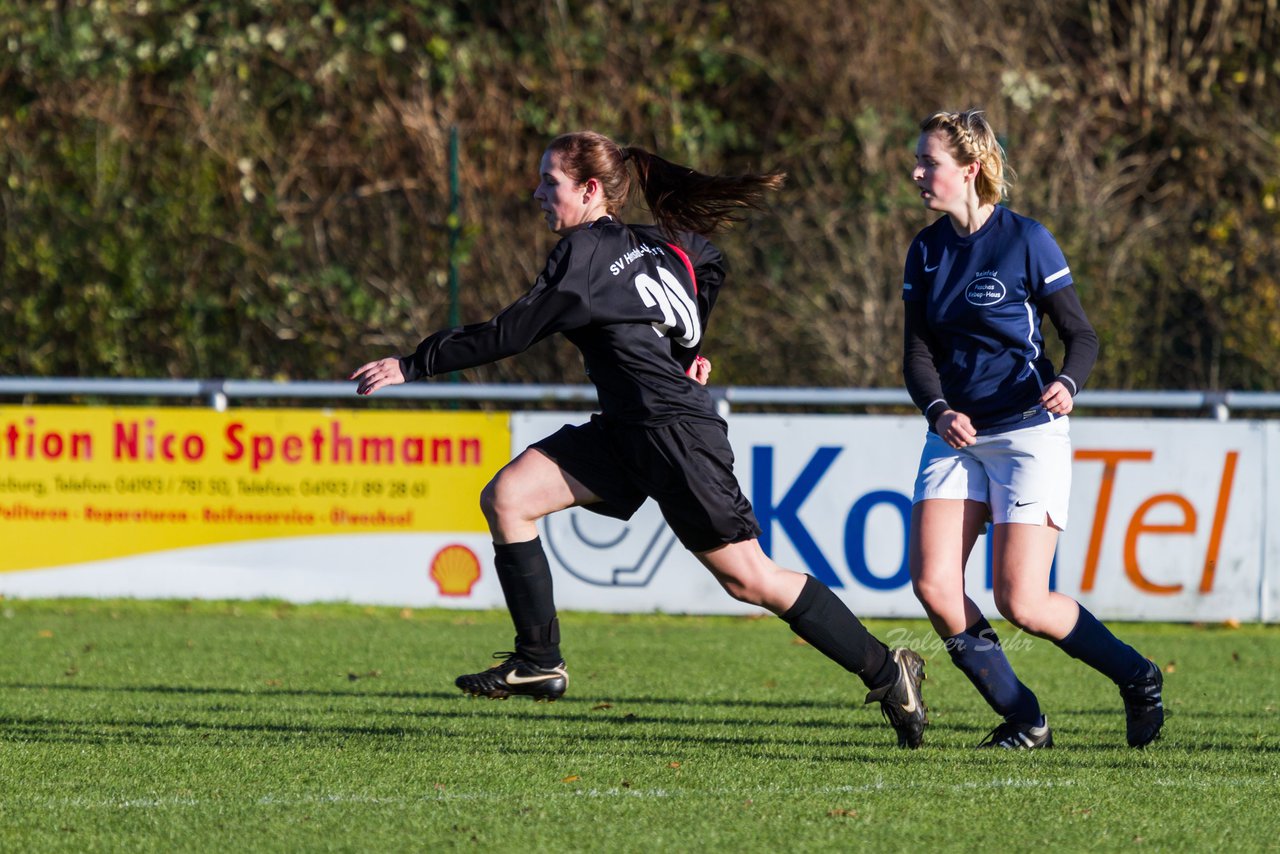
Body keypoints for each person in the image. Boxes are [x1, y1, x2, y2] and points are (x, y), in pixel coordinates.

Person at [351, 130, 929, 748]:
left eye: (550, 182)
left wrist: (415, 363)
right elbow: (708, 260)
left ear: (590, 190)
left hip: (675, 434)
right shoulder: (657, 242)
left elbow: (511, 332)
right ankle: (539, 660)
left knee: (750, 579)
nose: (538, 193)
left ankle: (886, 669)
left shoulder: (586, 256)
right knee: (509, 497)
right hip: (629, 429)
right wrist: (687, 345)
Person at [901, 109, 1164, 749]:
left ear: (970, 170)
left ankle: (1138, 676)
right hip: (956, 436)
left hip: (1027, 433)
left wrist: (1067, 383)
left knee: (1024, 601)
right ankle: (1025, 718)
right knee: (935, 587)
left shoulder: (1027, 239)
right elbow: (915, 353)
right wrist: (939, 410)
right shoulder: (926, 249)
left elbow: (1081, 335)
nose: (916, 173)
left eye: (927, 162)